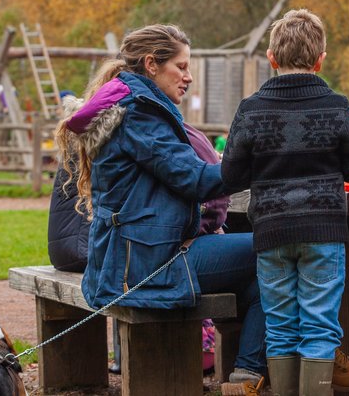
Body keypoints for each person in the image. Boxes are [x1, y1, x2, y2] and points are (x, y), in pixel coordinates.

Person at [53, 24, 267, 396]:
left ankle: (245, 375)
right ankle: (256, 373)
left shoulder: (131, 104)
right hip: (147, 265)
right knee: (274, 250)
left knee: (256, 279)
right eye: (181, 67)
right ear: (152, 64)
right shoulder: (140, 113)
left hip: (134, 257)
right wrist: (258, 163)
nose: (188, 77)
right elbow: (194, 179)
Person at [221, 9, 349, 396]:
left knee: (280, 325)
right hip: (323, 231)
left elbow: (232, 176)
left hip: (271, 230)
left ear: (271, 58)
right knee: (319, 325)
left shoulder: (250, 109)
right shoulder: (336, 105)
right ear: (321, 59)